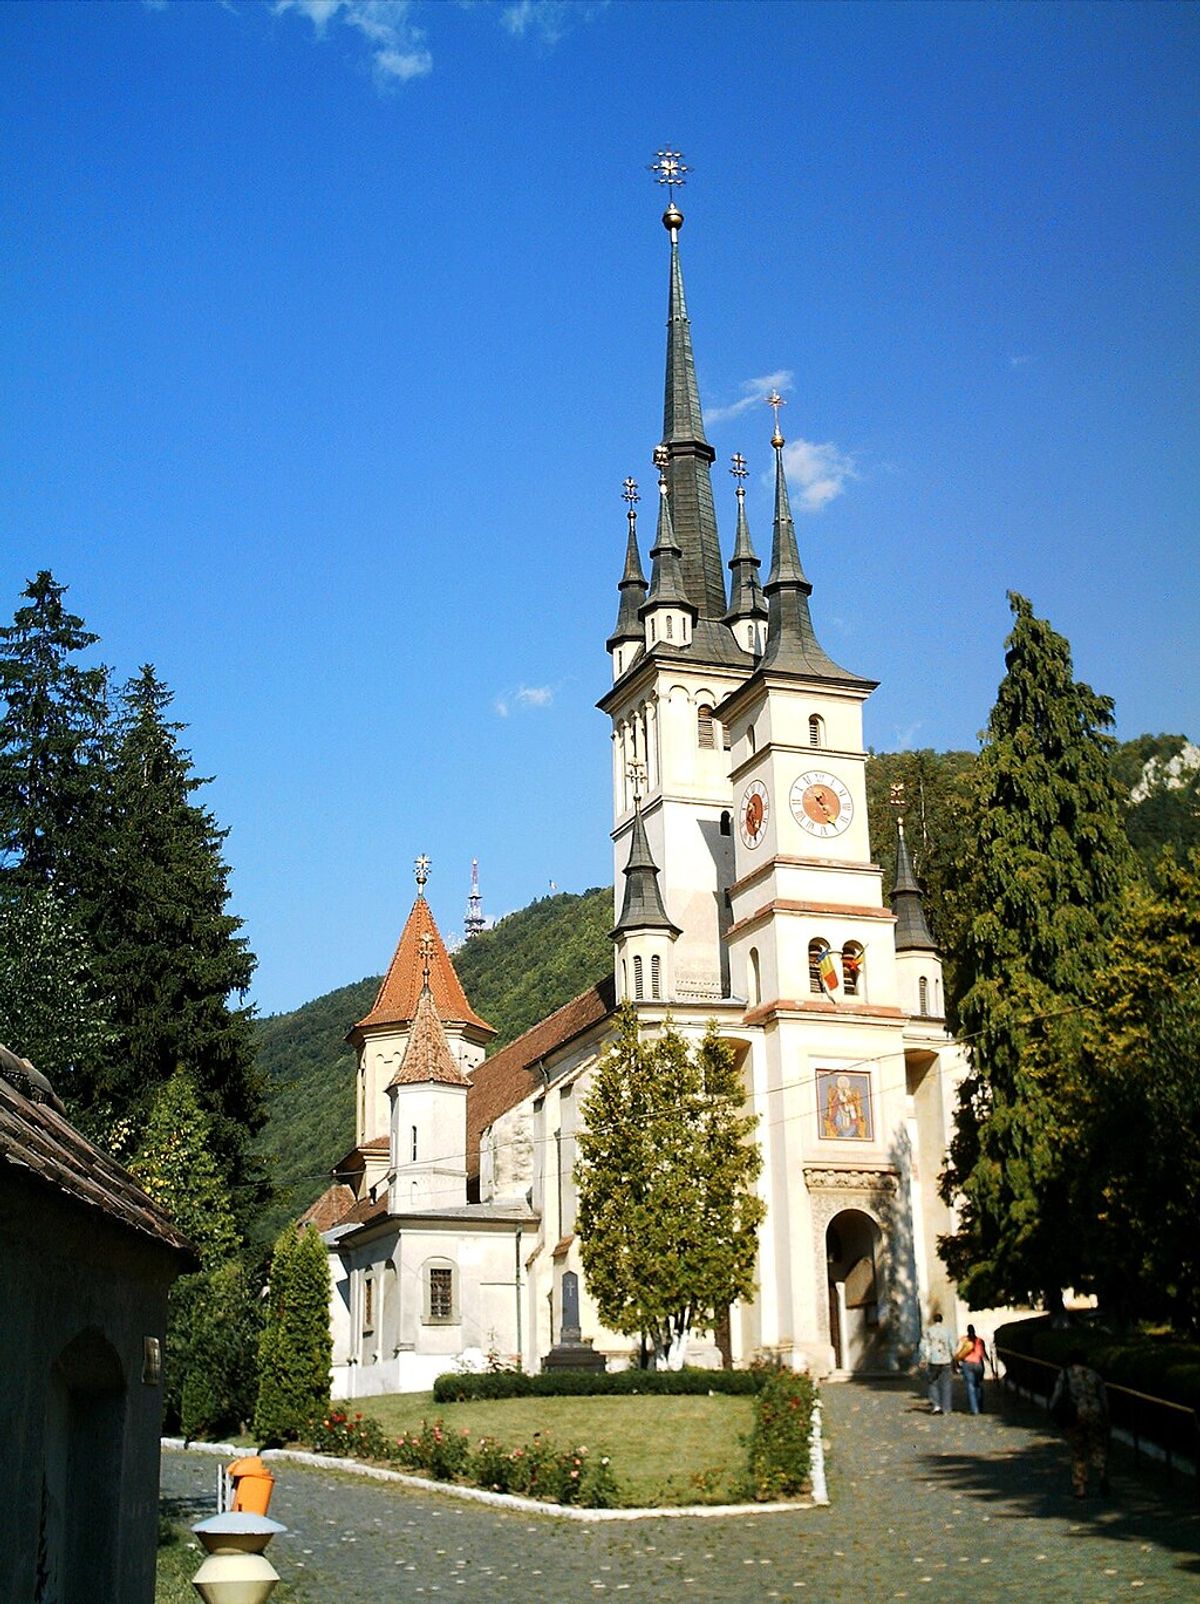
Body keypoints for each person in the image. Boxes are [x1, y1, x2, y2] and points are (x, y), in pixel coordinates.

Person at [1049, 1348, 1110, 1497]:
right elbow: (1103, 1397)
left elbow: (1057, 1394)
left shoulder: (1066, 1374)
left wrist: (1052, 1409)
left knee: (1078, 1450)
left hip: (1075, 1413)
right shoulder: (1093, 1374)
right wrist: (1106, 1415)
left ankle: (1080, 1486)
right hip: (1094, 1411)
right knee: (1097, 1445)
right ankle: (1102, 1472)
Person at [919, 1308, 954, 1414]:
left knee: (933, 1383)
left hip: (933, 1360)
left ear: (934, 1320)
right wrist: (954, 1357)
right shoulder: (947, 1331)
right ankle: (947, 1407)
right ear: (941, 1320)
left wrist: (923, 1358)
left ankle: (936, 1405)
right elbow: (952, 1345)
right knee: (946, 1384)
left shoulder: (929, 1331)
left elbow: (923, 1346)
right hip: (946, 1359)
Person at [954, 1323, 988, 1415]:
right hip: (978, 1364)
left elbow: (957, 1352)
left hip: (967, 1364)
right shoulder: (979, 1340)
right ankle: (980, 1406)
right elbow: (983, 1353)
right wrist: (988, 1363)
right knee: (978, 1385)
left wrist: (956, 1363)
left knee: (970, 1386)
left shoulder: (963, 1340)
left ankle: (974, 1409)